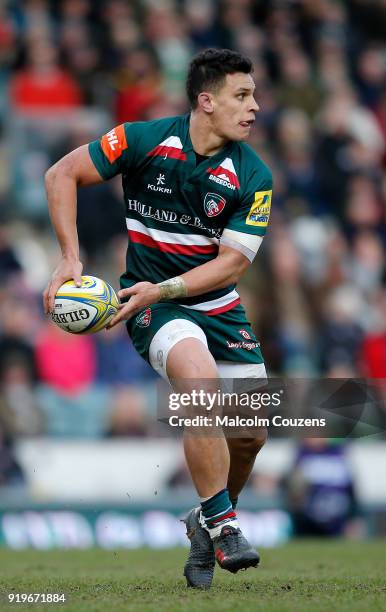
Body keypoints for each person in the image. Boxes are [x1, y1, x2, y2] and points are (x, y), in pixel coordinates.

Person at [43, 48, 273, 588]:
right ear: (206, 100)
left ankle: (207, 521)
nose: (254, 107)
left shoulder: (254, 175)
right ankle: (224, 525)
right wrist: (70, 256)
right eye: (243, 95)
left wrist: (162, 287)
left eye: (254, 96)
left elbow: (233, 263)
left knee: (251, 436)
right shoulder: (142, 140)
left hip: (215, 304)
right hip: (153, 307)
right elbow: (61, 174)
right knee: (199, 384)